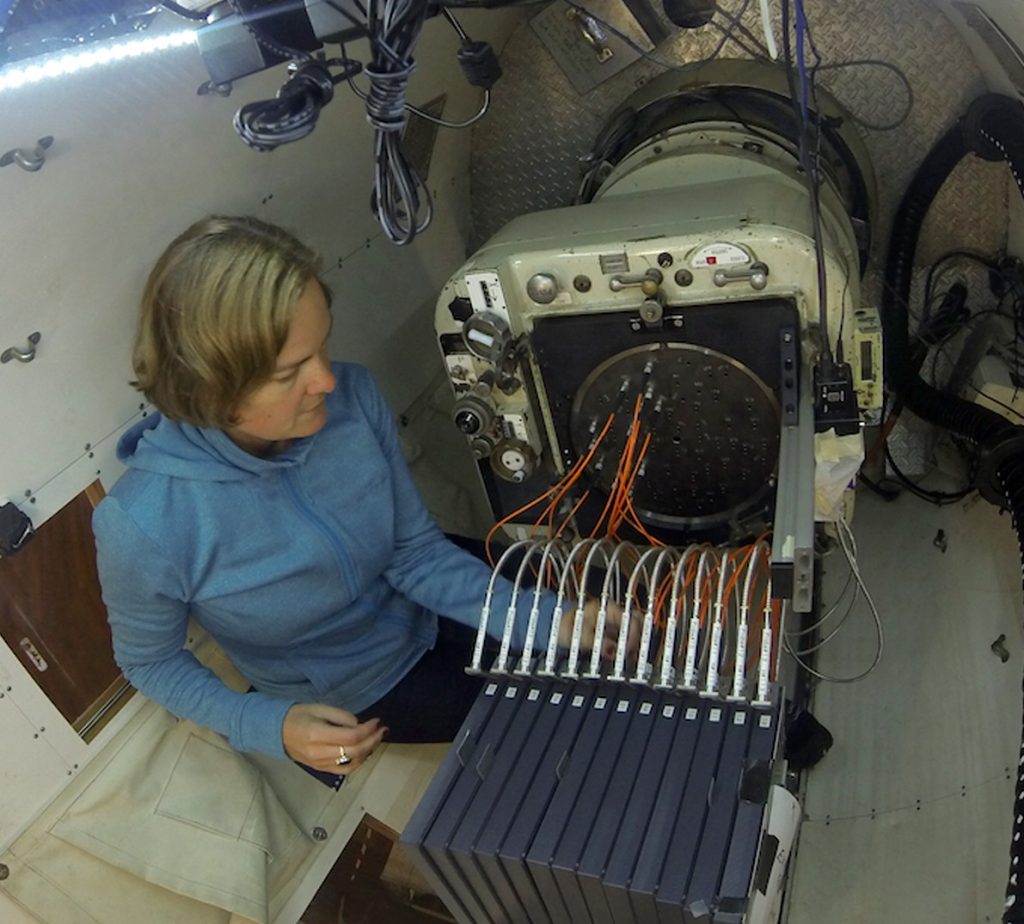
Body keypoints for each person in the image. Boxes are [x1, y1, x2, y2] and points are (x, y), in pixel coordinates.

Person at [93, 215, 623, 781]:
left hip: (426, 588)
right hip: (363, 683)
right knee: (572, 714)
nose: (326, 380)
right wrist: (266, 724)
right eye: (290, 372)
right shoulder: (142, 525)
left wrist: (546, 622)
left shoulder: (353, 396)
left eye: (322, 346)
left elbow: (414, 553)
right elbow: (149, 661)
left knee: (608, 611)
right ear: (208, 386)